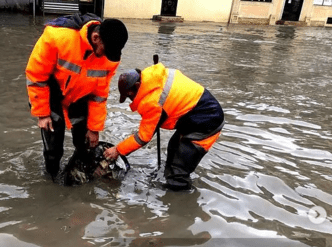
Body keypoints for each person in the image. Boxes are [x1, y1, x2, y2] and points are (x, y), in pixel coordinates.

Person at [25, 13, 128, 181]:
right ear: (95, 38)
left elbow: (99, 96)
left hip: (81, 97)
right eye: (106, 50)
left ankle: (79, 179)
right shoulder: (57, 37)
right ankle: (50, 181)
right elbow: (36, 77)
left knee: (87, 145)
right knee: (54, 149)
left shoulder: (110, 58)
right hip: (51, 96)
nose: (106, 56)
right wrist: (42, 114)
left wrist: (94, 129)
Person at [103, 62, 225, 191]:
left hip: (207, 122)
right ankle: (170, 181)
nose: (130, 100)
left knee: (178, 171)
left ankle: (178, 199)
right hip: (196, 114)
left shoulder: (152, 102)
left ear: (137, 86)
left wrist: (117, 150)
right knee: (173, 146)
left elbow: (143, 138)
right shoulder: (154, 76)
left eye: (129, 96)